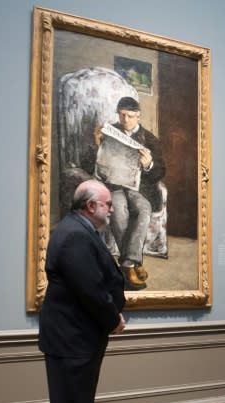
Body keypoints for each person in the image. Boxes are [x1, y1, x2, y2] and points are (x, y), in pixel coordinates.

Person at [39, 180, 126, 403]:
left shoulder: (76, 229)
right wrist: (113, 318)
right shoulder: (75, 234)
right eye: (107, 204)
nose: (112, 208)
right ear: (91, 206)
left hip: (73, 336)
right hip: (72, 338)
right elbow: (89, 289)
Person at [93, 96, 167, 290]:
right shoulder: (109, 132)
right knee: (118, 211)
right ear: (118, 114)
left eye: (131, 116)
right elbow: (89, 162)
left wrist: (148, 165)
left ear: (138, 116)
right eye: (122, 115)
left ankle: (127, 263)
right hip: (114, 186)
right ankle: (132, 264)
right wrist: (97, 145)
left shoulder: (150, 139)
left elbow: (161, 171)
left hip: (139, 188)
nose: (126, 120)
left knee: (143, 210)